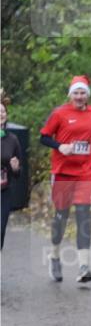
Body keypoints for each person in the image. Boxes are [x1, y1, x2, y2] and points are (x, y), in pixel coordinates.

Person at [38, 75, 91, 283]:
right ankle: (54, 255)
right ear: (71, 95)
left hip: (85, 172)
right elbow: (43, 137)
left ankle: (83, 267)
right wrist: (60, 146)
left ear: (87, 95)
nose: (79, 97)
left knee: (83, 217)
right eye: (76, 93)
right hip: (62, 173)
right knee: (61, 217)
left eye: (83, 93)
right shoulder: (59, 114)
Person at [1, 97, 26, 249]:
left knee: (0, 228)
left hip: (4, 191)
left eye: (3, 111)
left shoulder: (13, 139)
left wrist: (15, 168)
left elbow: (18, 173)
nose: (0, 114)